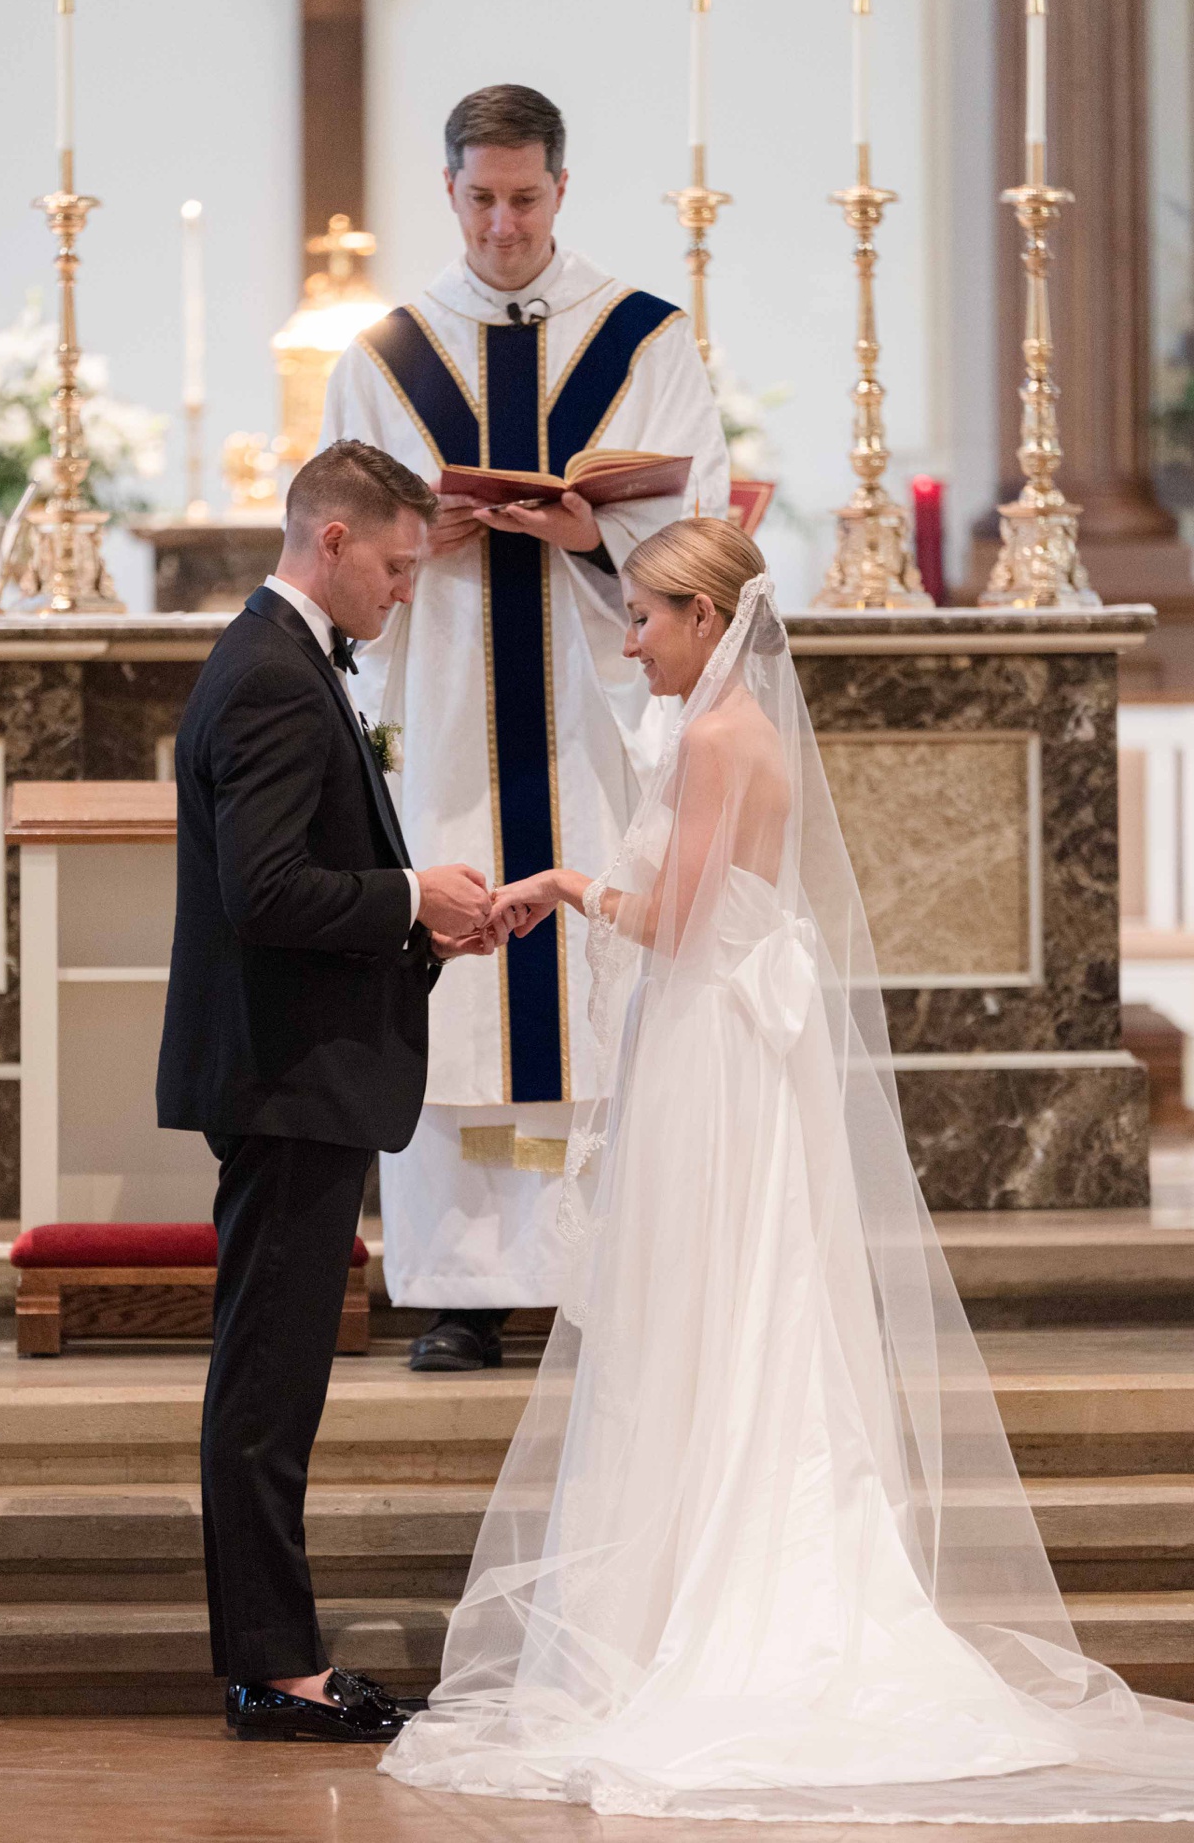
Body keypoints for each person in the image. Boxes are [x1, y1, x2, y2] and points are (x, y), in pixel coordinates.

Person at [380, 518, 1194, 1820]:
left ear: (708, 619)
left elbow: (678, 922)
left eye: (646, 617)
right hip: (741, 1042)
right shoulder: (739, 732)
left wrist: (569, 883)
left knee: (710, 1303)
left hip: (713, 1048)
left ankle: (714, 1594)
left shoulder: (712, 740)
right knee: (754, 1301)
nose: (632, 639)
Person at [320, 84, 731, 1373]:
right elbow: (327, 526)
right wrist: (412, 536)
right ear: (449, 192)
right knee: (463, 990)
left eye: (527, 199)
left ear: (563, 191)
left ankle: (601, 1275)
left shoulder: (646, 341)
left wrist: (597, 533)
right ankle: (462, 1290)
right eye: (481, 198)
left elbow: (708, 537)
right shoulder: (381, 356)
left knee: (598, 987)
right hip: (445, 715)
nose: (504, 224)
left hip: (593, 712)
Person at [155, 441, 510, 1743]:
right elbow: (267, 894)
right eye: (400, 568)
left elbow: (301, 884)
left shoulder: (282, 659)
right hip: (284, 1076)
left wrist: (420, 929)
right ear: (335, 543)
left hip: (294, 1072)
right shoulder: (268, 677)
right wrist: (417, 896)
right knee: (266, 1387)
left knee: (279, 1379)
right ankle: (273, 1670)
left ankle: (274, 1655)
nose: (405, 593)